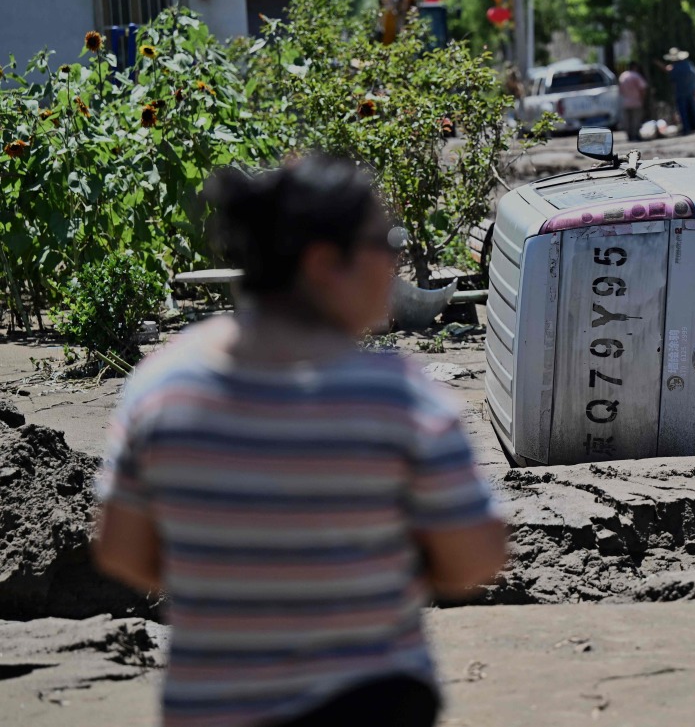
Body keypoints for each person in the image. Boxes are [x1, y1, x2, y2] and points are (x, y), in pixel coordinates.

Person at [92, 155, 507, 727]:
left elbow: (120, 550)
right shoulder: (396, 398)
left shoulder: (163, 385)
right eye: (385, 242)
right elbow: (473, 561)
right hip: (368, 703)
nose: (396, 261)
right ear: (322, 263)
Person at [662, 47, 695, 136]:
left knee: (683, 111)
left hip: (680, 92)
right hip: (691, 90)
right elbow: (694, 76)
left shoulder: (675, 68)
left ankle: (687, 128)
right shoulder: (689, 65)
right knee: (693, 109)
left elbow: (672, 79)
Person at [618, 61, 648, 142]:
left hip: (625, 102)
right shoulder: (636, 76)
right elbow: (642, 89)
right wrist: (642, 99)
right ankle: (635, 135)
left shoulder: (623, 76)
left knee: (627, 120)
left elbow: (620, 90)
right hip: (636, 101)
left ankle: (629, 135)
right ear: (635, 67)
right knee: (636, 120)